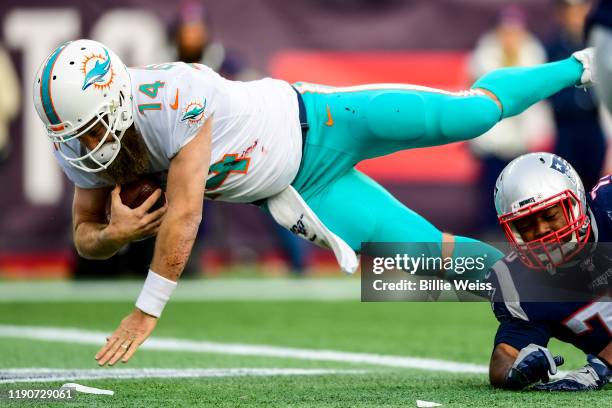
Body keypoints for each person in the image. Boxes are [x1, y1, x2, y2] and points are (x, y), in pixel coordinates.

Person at [32, 39, 594, 366]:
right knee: (432, 261)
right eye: (76, 133)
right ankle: (568, 298)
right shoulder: (81, 143)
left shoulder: (177, 95)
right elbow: (85, 235)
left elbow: (185, 215)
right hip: (303, 190)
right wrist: (115, 235)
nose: (86, 144)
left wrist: (146, 308)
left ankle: (582, 66)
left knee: (471, 113)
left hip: (322, 121)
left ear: (120, 98)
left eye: (93, 127)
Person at [487, 152, 611, 391]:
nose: (542, 230)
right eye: (525, 224)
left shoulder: (609, 208)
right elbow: (503, 358)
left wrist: (602, 365)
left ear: (577, 202)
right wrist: (518, 370)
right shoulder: (519, 281)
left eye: (550, 215)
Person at [469, 5, 553, 233]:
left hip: (523, 145)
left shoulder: (533, 56)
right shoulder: (483, 58)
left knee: (524, 200)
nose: (511, 38)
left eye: (515, 32)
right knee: (491, 201)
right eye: (506, 32)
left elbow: (533, 103)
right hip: (493, 145)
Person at [546, 0, 606, 191]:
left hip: (596, 128)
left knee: (600, 187)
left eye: (581, 10)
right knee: (568, 186)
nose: (576, 17)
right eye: (572, 11)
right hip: (566, 130)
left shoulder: (601, 44)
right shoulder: (553, 49)